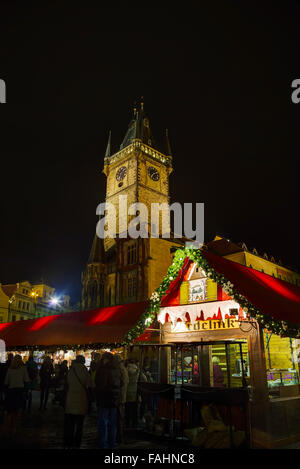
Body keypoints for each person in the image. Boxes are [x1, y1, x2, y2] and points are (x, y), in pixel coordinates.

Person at [63, 355, 93, 449]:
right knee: (79, 425)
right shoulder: (85, 371)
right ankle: (77, 442)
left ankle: (68, 441)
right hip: (81, 400)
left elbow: (66, 384)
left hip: (70, 400)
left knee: (70, 424)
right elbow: (90, 384)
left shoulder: (70, 370)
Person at [95, 352, 123, 449]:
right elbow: (122, 383)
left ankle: (103, 443)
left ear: (106, 359)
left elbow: (101, 385)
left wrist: (97, 394)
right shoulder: (117, 369)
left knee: (103, 422)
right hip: (114, 399)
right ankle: (112, 442)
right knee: (112, 423)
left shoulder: (104, 370)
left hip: (105, 399)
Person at [3, 354, 29, 435]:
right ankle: (14, 428)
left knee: (9, 411)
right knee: (17, 411)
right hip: (19, 391)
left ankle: (7, 428)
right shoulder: (23, 369)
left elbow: (6, 382)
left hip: (11, 391)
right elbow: (26, 379)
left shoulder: (10, 369)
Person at [115, 355, 129, 444]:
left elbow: (123, 383)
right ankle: (120, 436)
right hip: (122, 396)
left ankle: (119, 437)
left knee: (119, 417)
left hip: (119, 397)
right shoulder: (123, 369)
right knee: (120, 417)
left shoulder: (119, 369)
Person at [125, 359, 140, 429]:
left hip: (127, 392)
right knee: (134, 410)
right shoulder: (137, 370)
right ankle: (134, 424)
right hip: (135, 392)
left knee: (127, 409)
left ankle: (127, 423)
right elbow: (144, 379)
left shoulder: (125, 370)